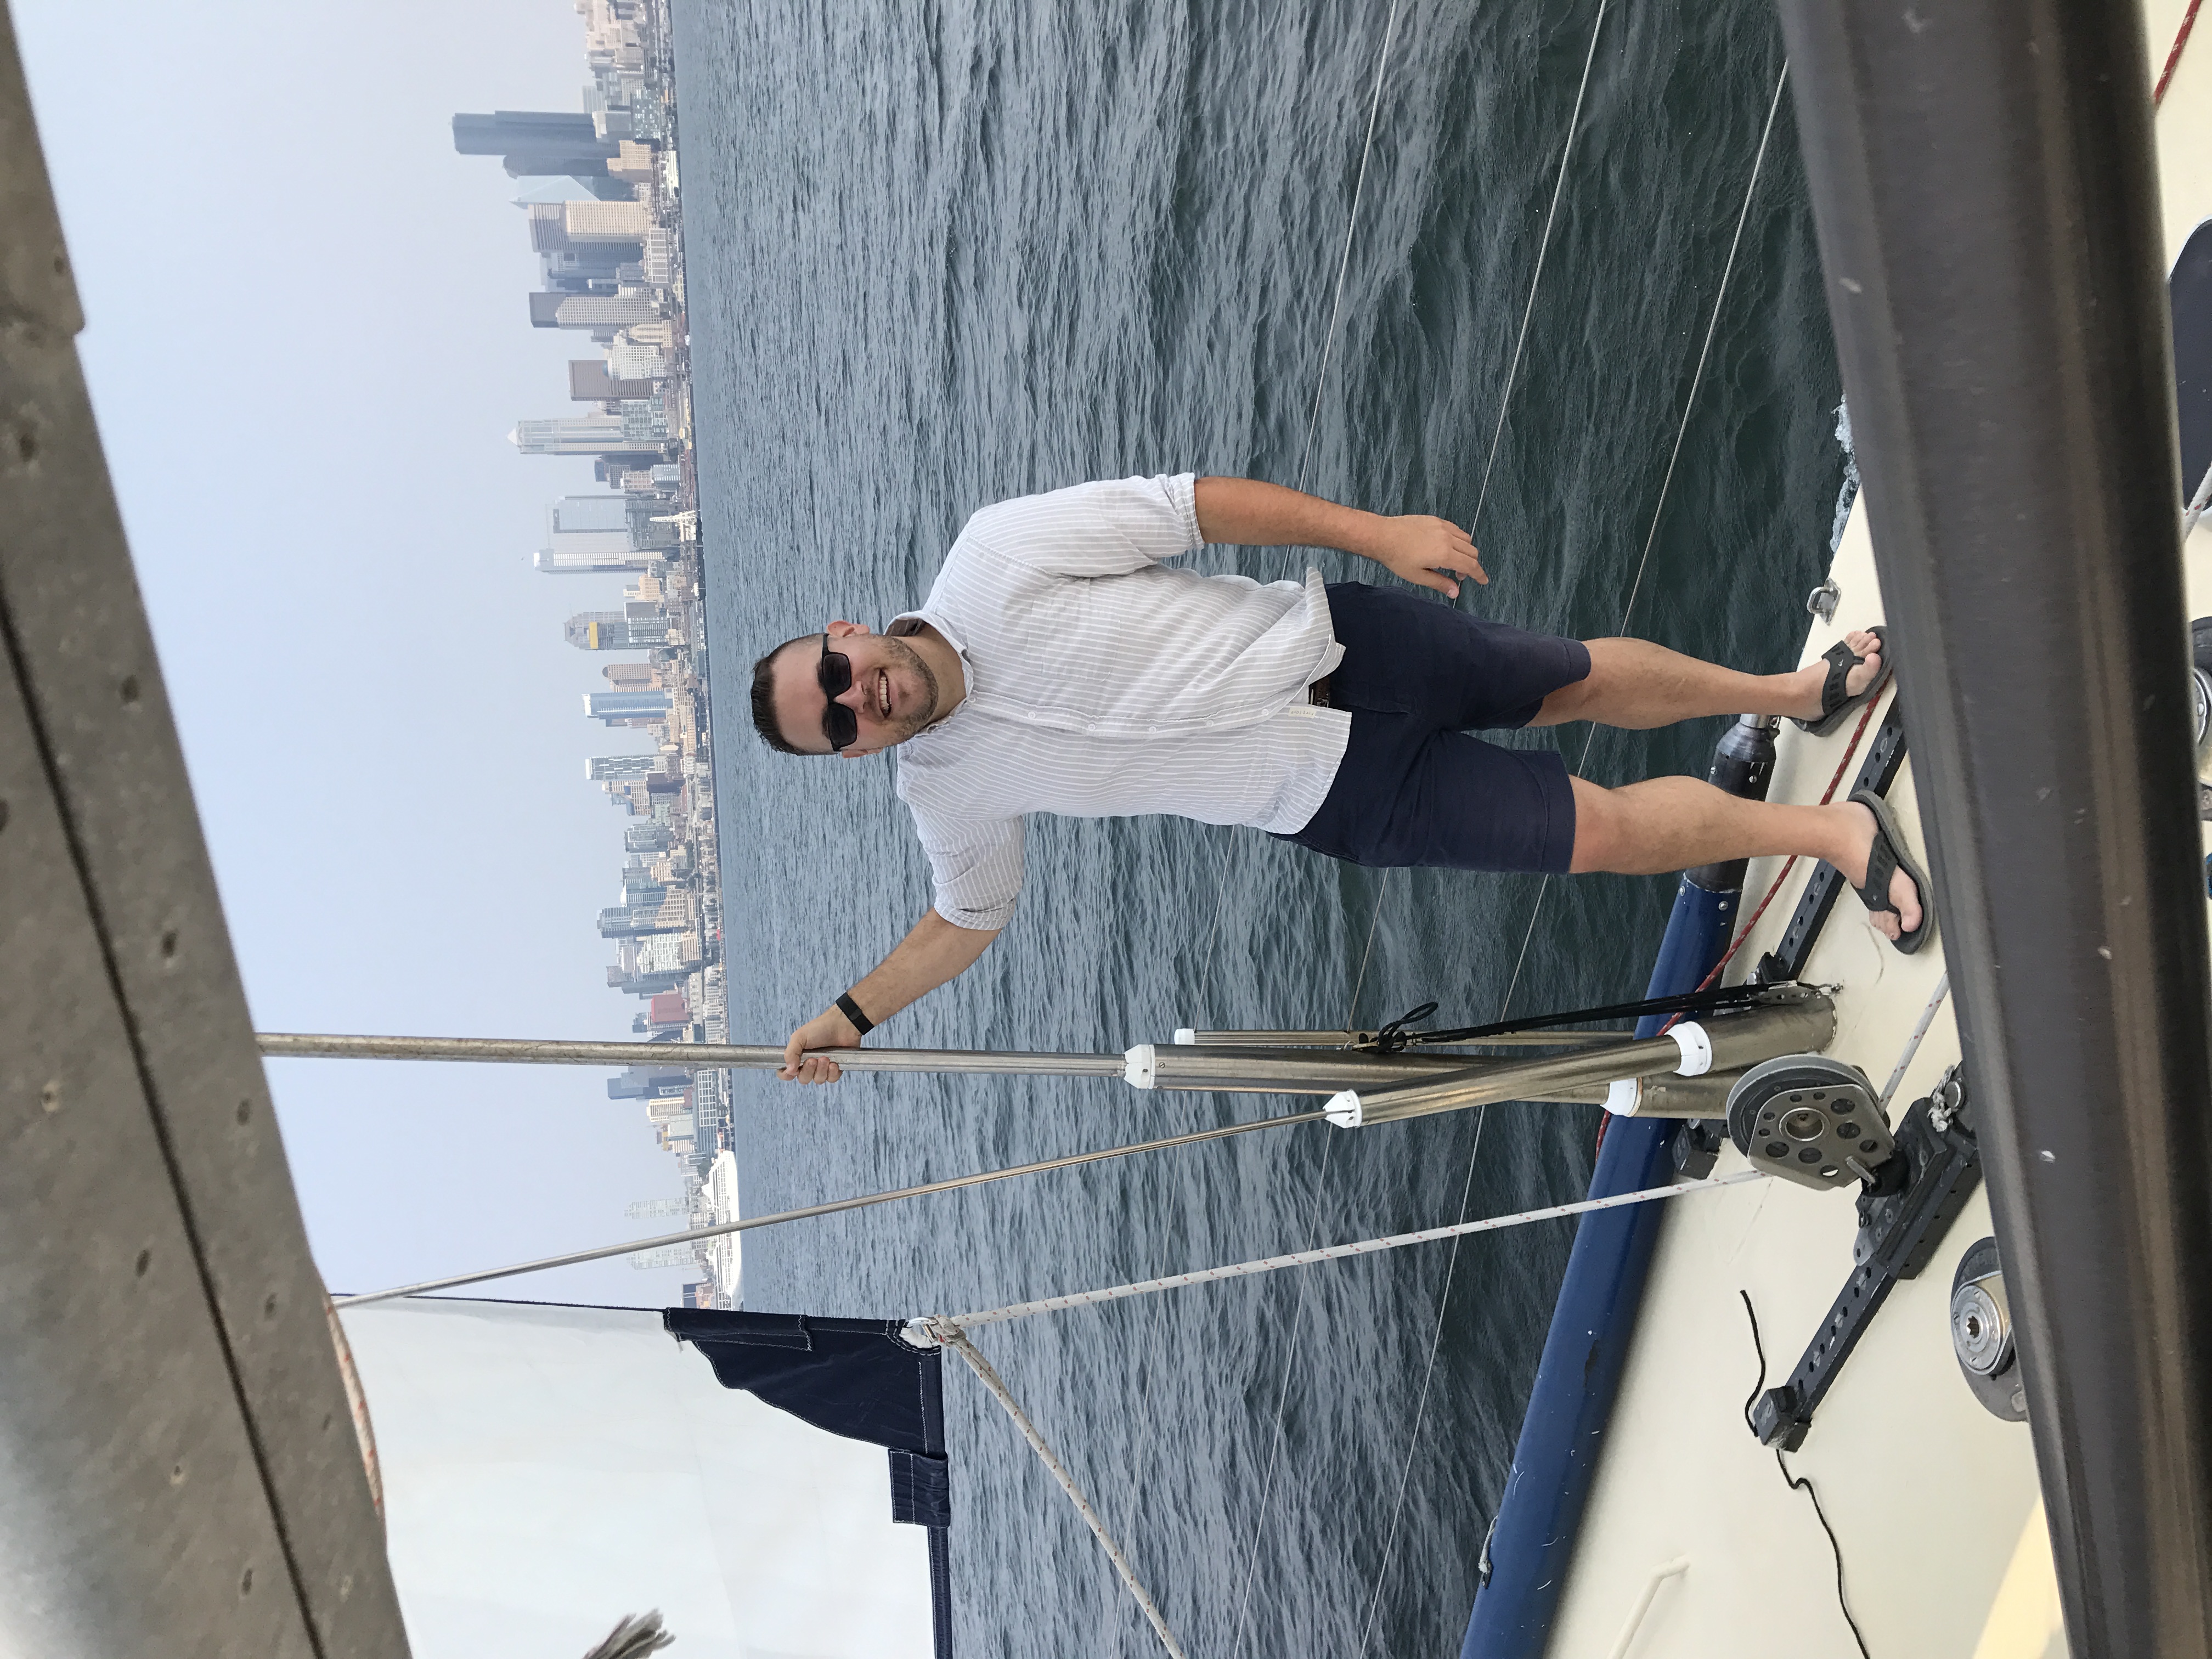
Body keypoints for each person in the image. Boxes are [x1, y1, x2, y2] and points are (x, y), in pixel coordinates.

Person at [751, 473, 1926, 1083]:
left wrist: (1374, 533)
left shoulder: (993, 554)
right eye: (838, 726)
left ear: (846, 629)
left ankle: (1793, 691)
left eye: (837, 673)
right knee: (1597, 833)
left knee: (1569, 680)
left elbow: (1191, 509)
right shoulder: (944, 790)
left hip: (1349, 642)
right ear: (853, 756)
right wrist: (851, 1016)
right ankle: (1827, 836)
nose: (860, 697)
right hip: (1331, 795)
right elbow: (968, 917)